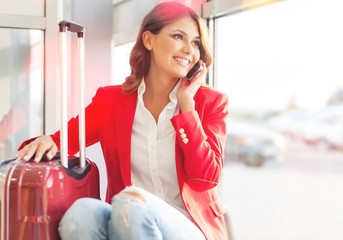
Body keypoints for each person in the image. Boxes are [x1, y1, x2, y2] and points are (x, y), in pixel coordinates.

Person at [17, 2, 229, 240]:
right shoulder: (110, 101)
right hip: (128, 219)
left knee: (135, 205)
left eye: (196, 42)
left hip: (189, 226)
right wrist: (47, 142)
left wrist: (187, 106)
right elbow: (63, 141)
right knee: (81, 213)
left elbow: (206, 179)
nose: (189, 49)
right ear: (149, 40)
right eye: (178, 36)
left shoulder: (211, 103)